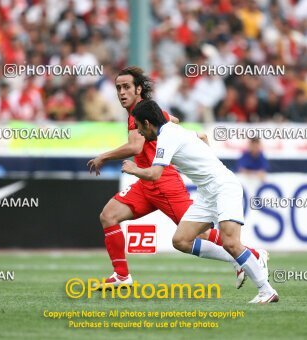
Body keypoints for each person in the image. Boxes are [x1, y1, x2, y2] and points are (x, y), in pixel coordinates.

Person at [87, 67, 263, 290]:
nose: (121, 92)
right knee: (109, 215)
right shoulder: (147, 111)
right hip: (145, 183)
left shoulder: (136, 116)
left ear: (138, 89)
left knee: (197, 233)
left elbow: (135, 145)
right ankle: (122, 275)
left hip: (163, 182)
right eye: (118, 88)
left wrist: (104, 156)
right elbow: (175, 120)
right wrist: (188, 133)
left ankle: (253, 255)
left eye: (126, 87)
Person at [122, 99, 278, 304]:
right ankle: (244, 259)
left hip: (223, 187)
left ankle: (266, 290)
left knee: (231, 242)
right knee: (181, 241)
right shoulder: (175, 131)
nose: (140, 133)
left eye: (139, 127)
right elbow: (202, 136)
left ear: (147, 123)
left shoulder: (167, 137)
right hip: (207, 193)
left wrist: (134, 169)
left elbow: (154, 173)